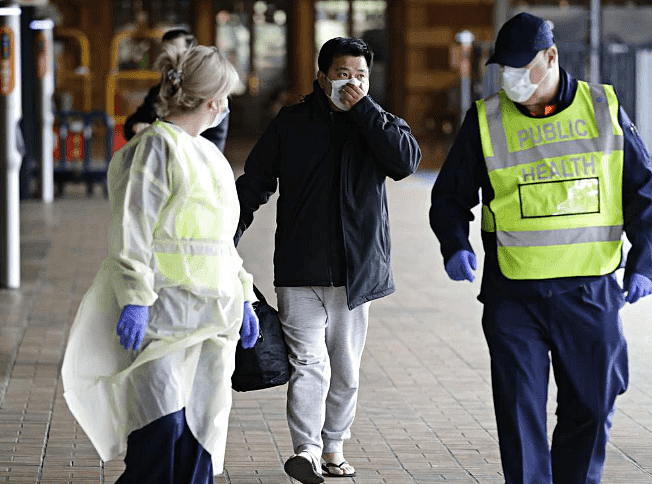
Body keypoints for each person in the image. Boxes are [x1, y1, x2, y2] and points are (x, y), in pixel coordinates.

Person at [429, 12, 652, 484]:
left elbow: (645, 195)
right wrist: (455, 245)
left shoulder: (603, 109)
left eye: (521, 66)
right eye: (504, 69)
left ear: (551, 57)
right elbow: (449, 197)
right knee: (519, 413)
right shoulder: (485, 120)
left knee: (594, 405)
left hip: (590, 290)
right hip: (514, 295)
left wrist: (644, 264)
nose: (510, 78)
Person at [61, 43, 259, 484]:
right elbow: (132, 228)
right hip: (160, 318)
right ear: (212, 101)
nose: (226, 106)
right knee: (160, 428)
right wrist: (135, 297)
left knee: (201, 436)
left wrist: (244, 294)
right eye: (225, 96)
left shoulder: (210, 155)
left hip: (212, 318)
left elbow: (220, 239)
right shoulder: (155, 149)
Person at [234, 37, 421, 483]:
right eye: (342, 74)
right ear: (321, 77)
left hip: (357, 275)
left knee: (346, 369)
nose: (351, 83)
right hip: (300, 270)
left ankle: (334, 445)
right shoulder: (292, 124)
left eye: (360, 76)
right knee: (308, 365)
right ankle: (307, 451)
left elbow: (406, 163)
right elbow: (256, 181)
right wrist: (227, 232)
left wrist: (365, 111)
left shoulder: (379, 124)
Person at [123, 28, 231, 153]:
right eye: (165, 52)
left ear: (192, 53)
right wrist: (137, 126)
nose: (171, 58)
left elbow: (215, 145)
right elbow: (131, 123)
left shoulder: (209, 95)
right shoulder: (157, 93)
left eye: (176, 52)